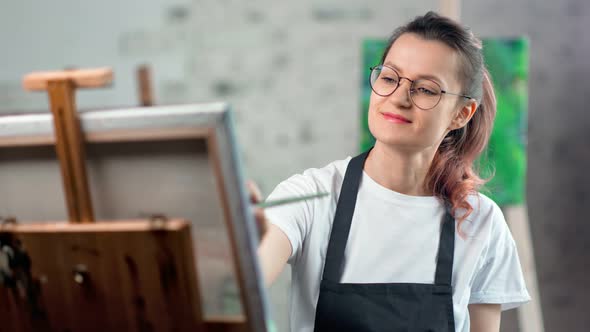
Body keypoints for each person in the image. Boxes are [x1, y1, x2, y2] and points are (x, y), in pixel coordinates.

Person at [250, 11, 530, 332]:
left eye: (425, 89)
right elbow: (245, 284)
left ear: (461, 114)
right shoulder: (311, 197)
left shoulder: (481, 222)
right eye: (388, 77)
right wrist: (238, 240)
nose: (398, 98)